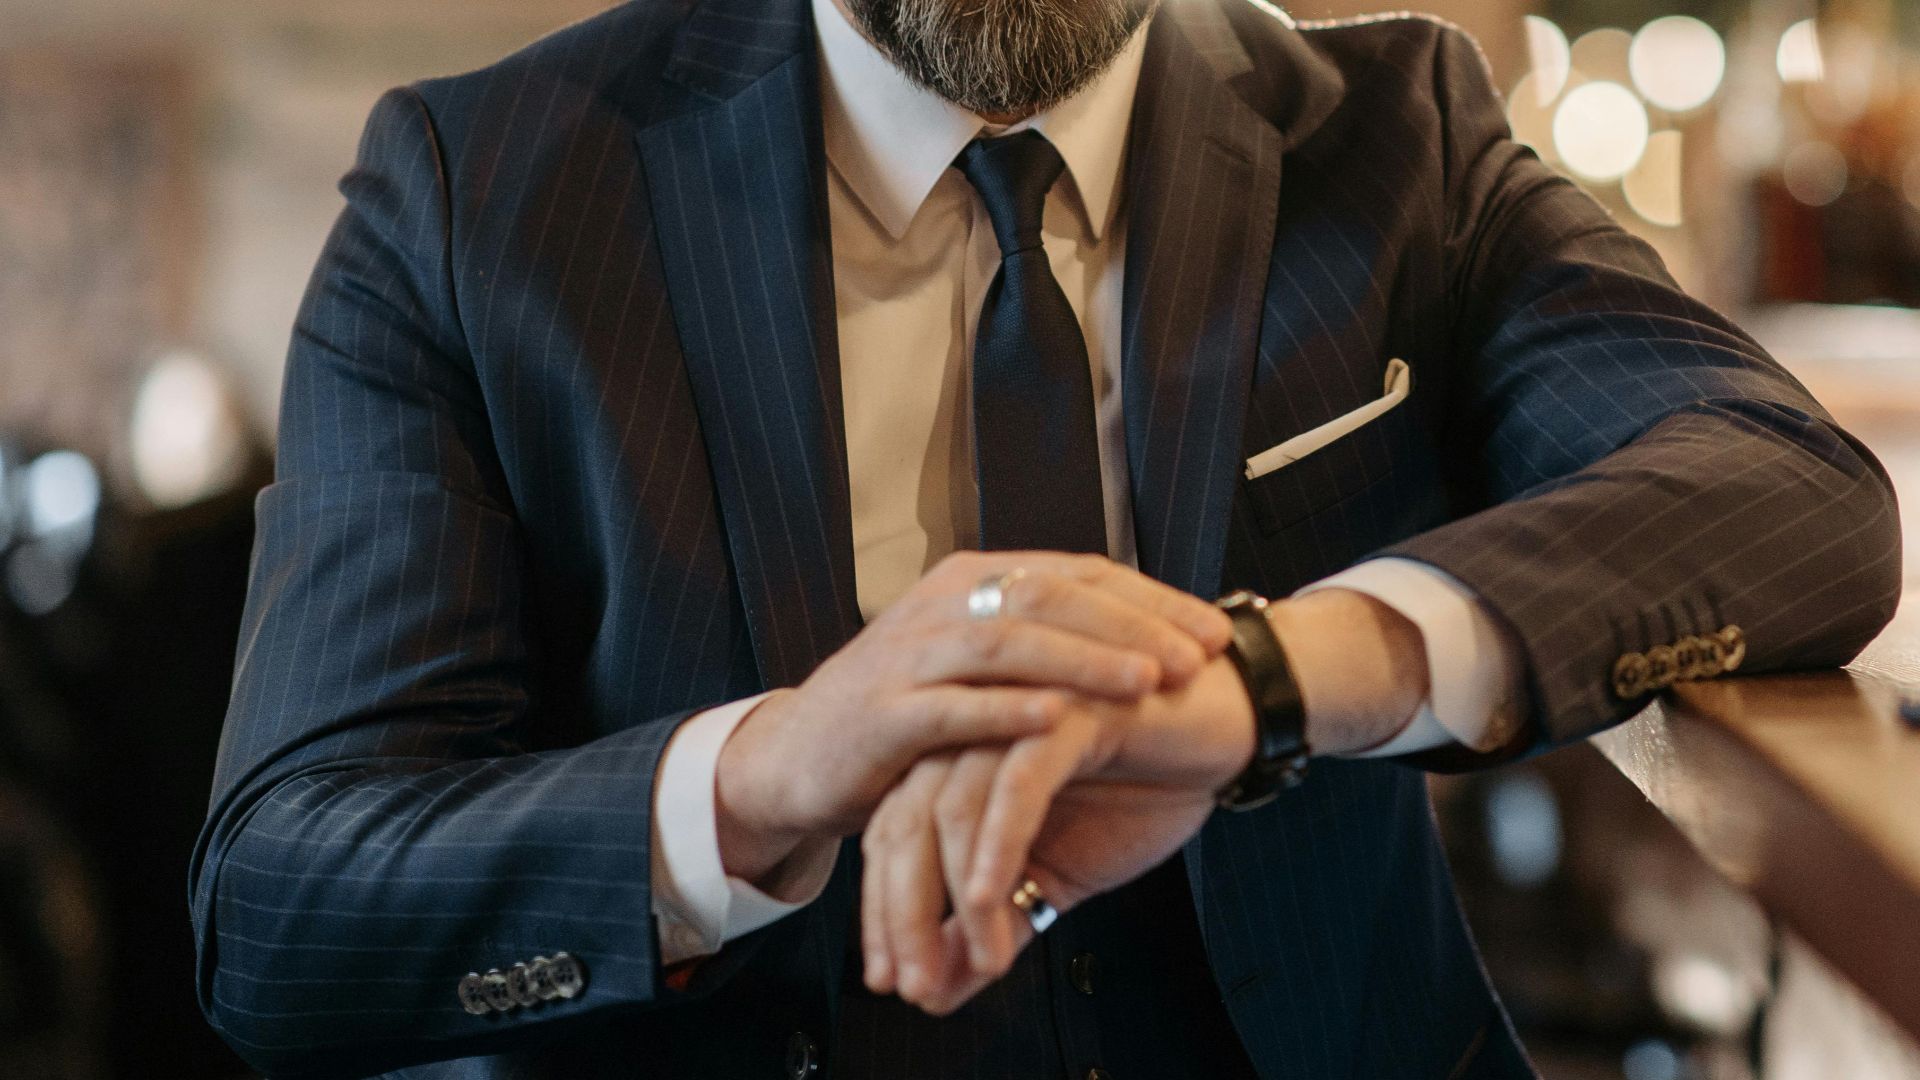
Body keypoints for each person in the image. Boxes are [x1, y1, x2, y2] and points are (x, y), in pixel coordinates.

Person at [188, 0, 1904, 1074]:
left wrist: (1269, 673)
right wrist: (773, 774)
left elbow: (1790, 489)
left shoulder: (1398, 138)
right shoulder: (473, 189)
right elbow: (282, 905)